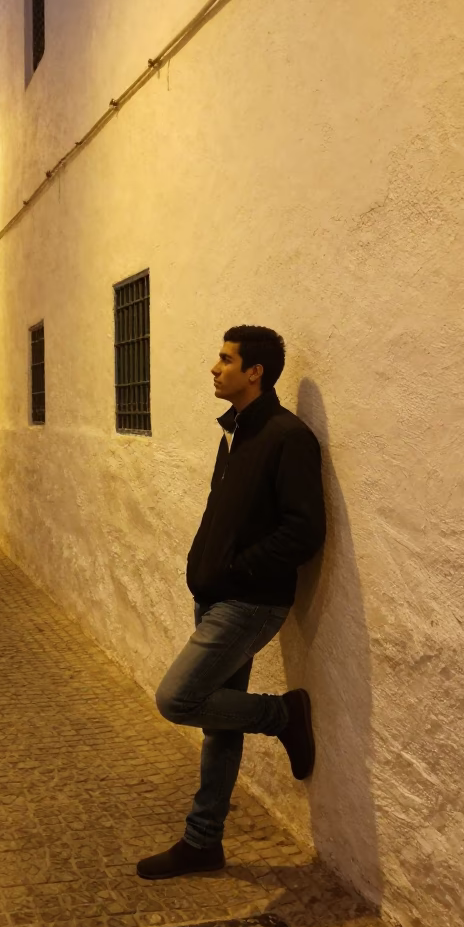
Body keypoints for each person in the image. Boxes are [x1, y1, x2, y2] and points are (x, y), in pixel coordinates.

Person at [137, 326, 326, 880]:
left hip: (250, 602)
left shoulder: (287, 437)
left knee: (178, 698)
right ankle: (204, 842)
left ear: (255, 372)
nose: (214, 368)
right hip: (220, 595)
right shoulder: (238, 431)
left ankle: (282, 714)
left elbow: (304, 531)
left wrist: (236, 570)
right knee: (220, 725)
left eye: (225, 360)